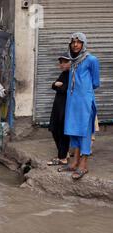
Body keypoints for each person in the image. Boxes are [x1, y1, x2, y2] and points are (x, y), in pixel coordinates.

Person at [58, 32, 100, 180]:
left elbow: (95, 83)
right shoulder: (72, 61)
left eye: (79, 42)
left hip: (84, 102)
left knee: (85, 132)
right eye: (73, 42)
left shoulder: (91, 60)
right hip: (72, 101)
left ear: (84, 44)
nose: (75, 45)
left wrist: (83, 92)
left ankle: (83, 165)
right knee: (74, 131)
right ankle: (74, 162)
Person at [47, 53, 71, 166]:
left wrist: (57, 85)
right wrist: (55, 84)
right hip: (58, 106)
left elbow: (64, 89)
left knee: (62, 131)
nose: (61, 64)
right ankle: (64, 153)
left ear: (71, 62)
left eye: (64, 62)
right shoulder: (64, 74)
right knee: (54, 129)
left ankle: (62, 158)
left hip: (65, 107)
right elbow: (53, 86)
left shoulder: (72, 75)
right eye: (61, 62)